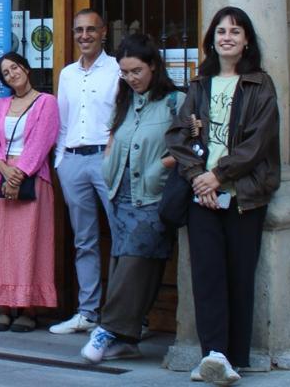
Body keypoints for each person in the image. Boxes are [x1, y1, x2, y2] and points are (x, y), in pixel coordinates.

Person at [166, 7, 281, 386]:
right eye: (220, 31)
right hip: (203, 196)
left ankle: (232, 357)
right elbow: (178, 138)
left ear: (246, 39)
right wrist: (200, 178)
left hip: (245, 195)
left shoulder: (259, 85)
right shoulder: (199, 86)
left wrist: (217, 175)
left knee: (238, 277)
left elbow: (257, 144)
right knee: (207, 277)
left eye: (235, 31)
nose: (226, 37)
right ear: (211, 40)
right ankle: (213, 355)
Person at [81, 33, 181, 363]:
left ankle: (108, 328)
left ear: (153, 65)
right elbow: (115, 137)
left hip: (153, 195)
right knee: (125, 262)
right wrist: (108, 163)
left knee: (137, 263)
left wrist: (159, 168)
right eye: (125, 72)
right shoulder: (125, 101)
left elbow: (186, 148)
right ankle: (128, 338)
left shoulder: (174, 102)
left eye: (136, 70)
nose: (131, 78)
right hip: (121, 194)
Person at [0, 51, 59, 332]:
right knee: (0, 246)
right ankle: (4, 307)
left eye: (15, 68)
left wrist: (19, 174)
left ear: (27, 69)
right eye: (5, 72)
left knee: (29, 245)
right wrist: (4, 169)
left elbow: (43, 142)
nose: (12, 74)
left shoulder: (47, 103)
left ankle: (28, 309)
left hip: (31, 179)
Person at [50, 8, 121, 335]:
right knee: (85, 240)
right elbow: (62, 122)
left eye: (91, 30)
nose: (84, 36)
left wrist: (112, 153)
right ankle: (88, 312)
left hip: (106, 160)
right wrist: (60, 161)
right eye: (79, 30)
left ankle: (125, 316)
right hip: (73, 162)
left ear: (103, 32)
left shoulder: (118, 70)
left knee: (122, 239)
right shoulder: (67, 74)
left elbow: (122, 118)